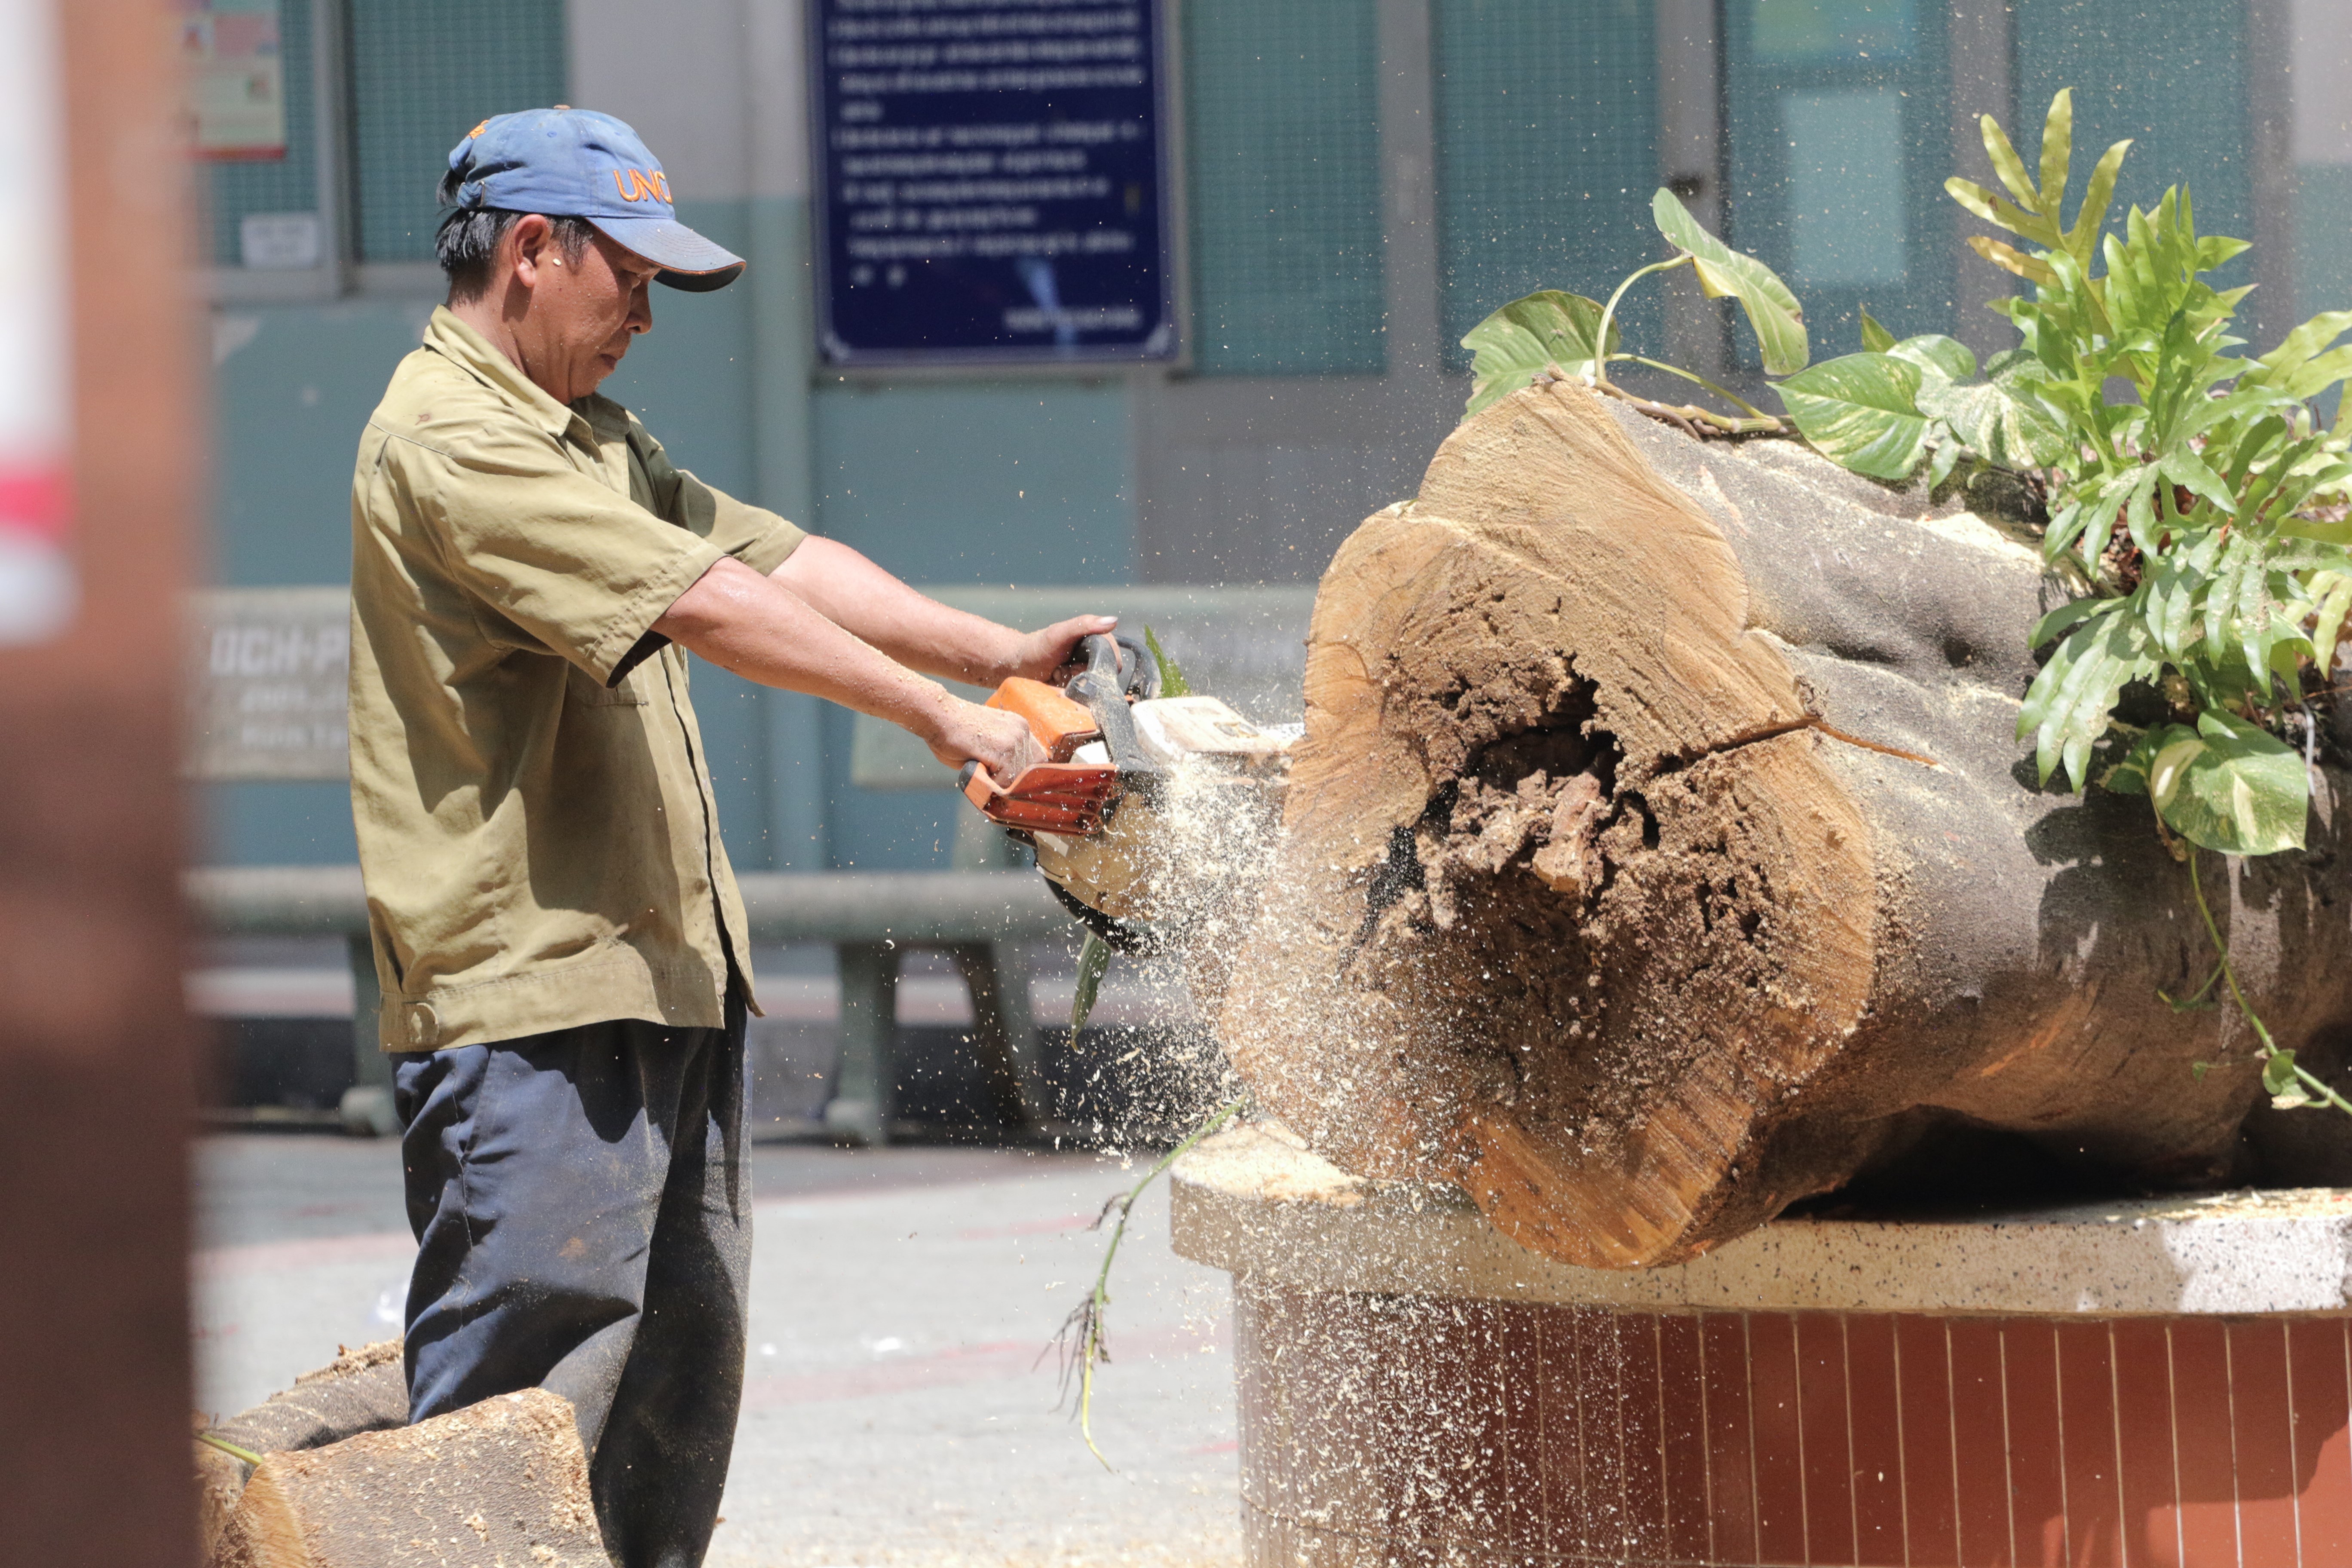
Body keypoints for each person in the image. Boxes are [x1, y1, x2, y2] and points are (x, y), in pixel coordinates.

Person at [347, 107, 1109, 1568]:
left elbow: (773, 557)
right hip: (533, 1015)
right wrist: (939, 722)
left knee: (666, 1416)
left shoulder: (583, 436)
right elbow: (700, 601)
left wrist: (995, 650)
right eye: (625, 277)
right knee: (523, 1430)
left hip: (661, 982)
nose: (641, 315)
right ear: (529, 250)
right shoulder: (449, 439)